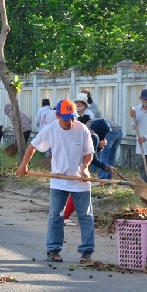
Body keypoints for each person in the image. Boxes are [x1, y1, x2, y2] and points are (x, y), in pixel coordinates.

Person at [16, 99, 95, 264]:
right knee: (55, 216)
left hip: (80, 179)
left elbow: (89, 153)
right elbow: (32, 147)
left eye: (72, 117)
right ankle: (53, 250)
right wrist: (24, 165)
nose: (70, 121)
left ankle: (86, 252)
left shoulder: (82, 129)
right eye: (66, 118)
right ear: (57, 115)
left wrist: (85, 168)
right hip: (59, 180)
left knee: (85, 216)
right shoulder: (50, 129)